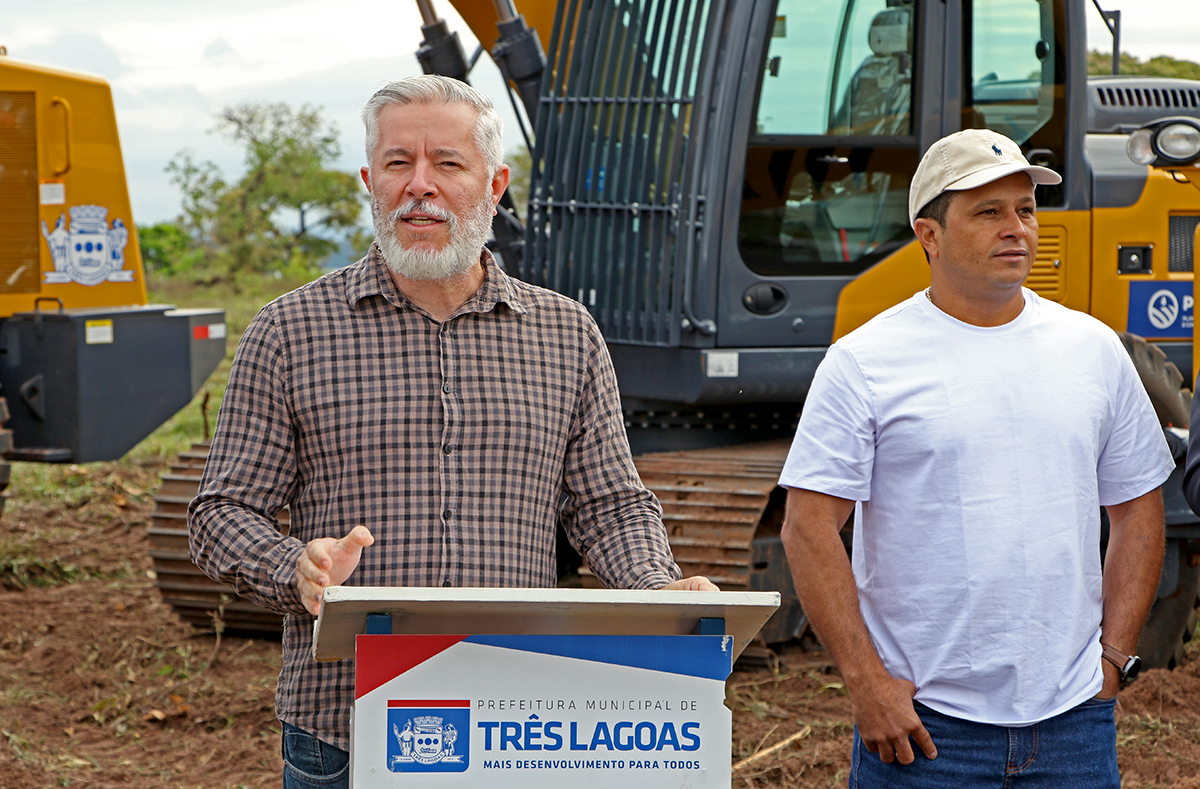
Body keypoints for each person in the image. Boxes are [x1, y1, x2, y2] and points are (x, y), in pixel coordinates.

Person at [187, 74, 716, 789]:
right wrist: (297, 567)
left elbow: (609, 505)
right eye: (398, 163)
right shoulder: (289, 331)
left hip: (516, 721)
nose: (419, 185)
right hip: (343, 727)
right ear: (370, 183)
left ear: (495, 185)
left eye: (447, 163)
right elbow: (221, 513)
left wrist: (655, 587)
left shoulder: (566, 334)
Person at [778, 128, 1173, 787]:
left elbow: (1138, 508)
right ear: (929, 235)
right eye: (988, 212)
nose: (1016, 228)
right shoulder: (865, 361)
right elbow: (808, 527)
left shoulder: (1092, 349)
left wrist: (1113, 660)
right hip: (924, 732)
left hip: (1073, 725)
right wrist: (867, 682)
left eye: (1026, 209)